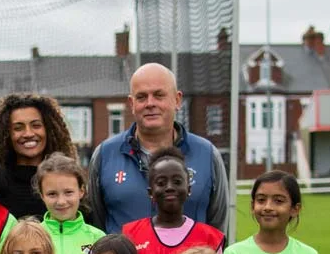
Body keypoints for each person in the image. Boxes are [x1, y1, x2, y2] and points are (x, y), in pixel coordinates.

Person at [87, 63, 228, 235]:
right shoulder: (105, 155)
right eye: (141, 97)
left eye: (159, 95)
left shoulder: (207, 155)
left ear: (177, 100)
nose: (150, 103)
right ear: (131, 103)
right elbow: (94, 229)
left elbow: (219, 231)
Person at [0, 93, 78, 218]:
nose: (28, 133)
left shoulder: (68, 181)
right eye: (18, 128)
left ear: (49, 130)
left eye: (36, 125)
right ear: (6, 134)